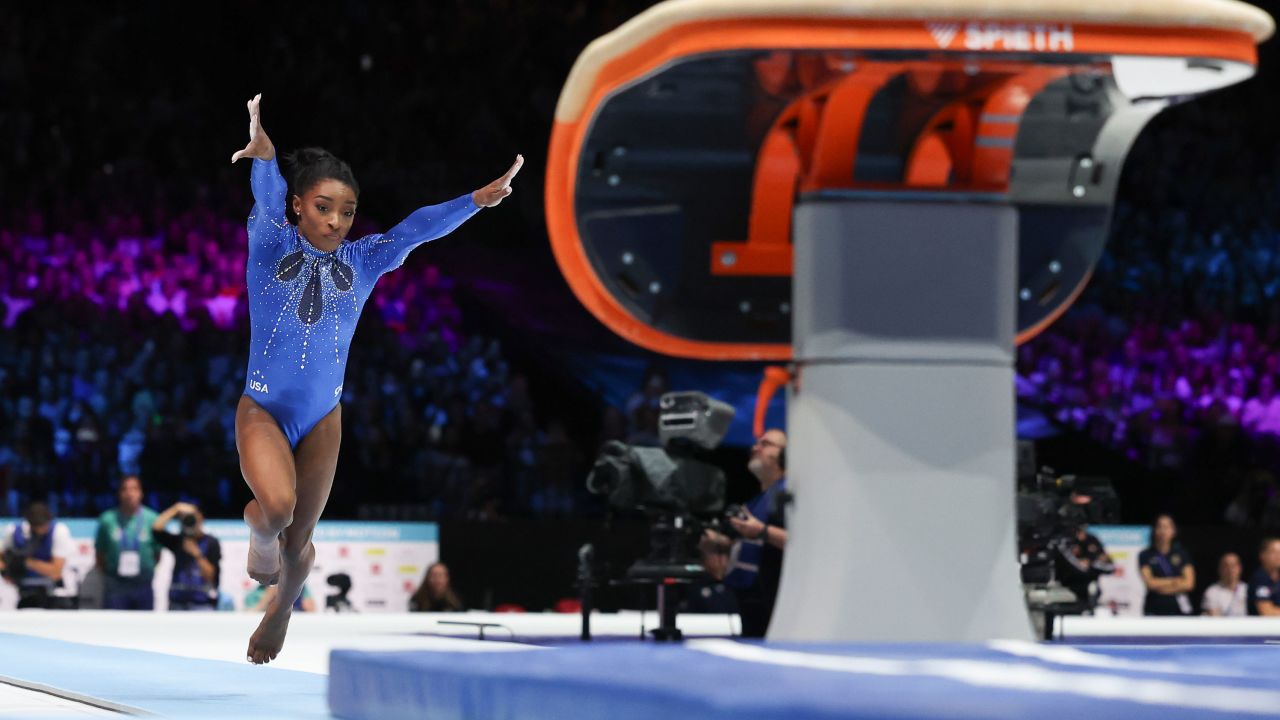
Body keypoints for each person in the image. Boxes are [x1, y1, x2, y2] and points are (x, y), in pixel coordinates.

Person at [229, 94, 520, 663]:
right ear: (297, 207)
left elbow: (415, 230)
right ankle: (258, 535)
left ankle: (282, 609)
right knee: (279, 513)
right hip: (262, 408)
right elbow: (264, 199)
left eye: (347, 211)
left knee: (301, 539)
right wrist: (266, 158)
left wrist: (476, 202)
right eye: (323, 207)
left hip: (323, 417)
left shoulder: (362, 261)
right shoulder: (269, 241)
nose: (336, 221)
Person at [701, 428, 788, 638]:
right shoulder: (757, 501)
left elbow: (805, 545)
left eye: (766, 444)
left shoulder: (789, 494)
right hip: (752, 603)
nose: (754, 447)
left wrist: (762, 531)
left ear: (786, 455)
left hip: (780, 604)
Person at [95, 475, 160, 610]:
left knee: (145, 628)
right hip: (116, 585)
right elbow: (100, 553)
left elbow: (157, 553)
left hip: (143, 584)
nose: (129, 493)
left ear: (141, 493)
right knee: (114, 628)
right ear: (119, 494)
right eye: (125, 489)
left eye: (134, 489)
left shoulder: (152, 519)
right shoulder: (107, 519)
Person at [0, 502, 74, 609]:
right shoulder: (14, 532)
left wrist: (27, 562)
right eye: (37, 527)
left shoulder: (58, 531)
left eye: (43, 526)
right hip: (22, 590)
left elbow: (56, 572)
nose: (41, 530)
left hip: (53, 592)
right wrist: (5, 571)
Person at [152, 501, 222, 611]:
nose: (191, 521)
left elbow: (211, 576)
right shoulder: (179, 540)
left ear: (201, 518)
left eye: (194, 517)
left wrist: (197, 555)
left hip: (202, 603)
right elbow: (156, 528)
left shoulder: (211, 542)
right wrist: (176, 509)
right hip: (177, 602)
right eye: (187, 518)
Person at [1138, 514, 1196, 616]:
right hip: (1154, 606)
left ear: (1173, 531)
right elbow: (1150, 583)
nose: (1163, 531)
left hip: (1178, 607)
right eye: (1160, 527)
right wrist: (1176, 581)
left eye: (1166, 527)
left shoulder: (1182, 554)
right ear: (1154, 530)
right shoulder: (1145, 555)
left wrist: (1161, 586)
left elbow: (1189, 583)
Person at [1201, 552, 1247, 617]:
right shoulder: (1212, 591)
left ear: (1240, 568)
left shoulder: (1247, 589)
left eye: (1233, 565)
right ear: (1220, 569)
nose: (1230, 569)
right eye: (1226, 566)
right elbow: (1215, 619)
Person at [1248, 537, 1280, 616]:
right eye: (1273, 552)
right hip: (1262, 627)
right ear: (1262, 555)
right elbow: (1267, 612)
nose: (1278, 555)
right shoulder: (1260, 578)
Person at [245, 583, 317, 613]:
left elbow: (311, 611)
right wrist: (269, 595)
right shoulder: (257, 592)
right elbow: (252, 612)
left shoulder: (301, 588)